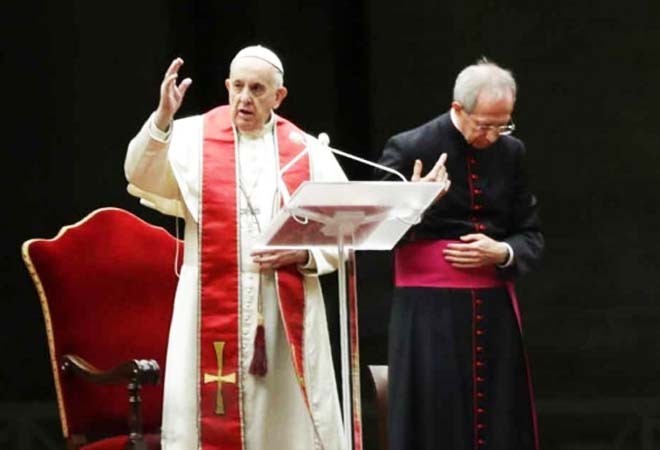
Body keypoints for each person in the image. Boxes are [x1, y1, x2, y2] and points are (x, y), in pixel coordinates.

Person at [124, 45, 346, 450]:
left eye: (257, 89)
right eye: (237, 86)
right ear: (227, 86)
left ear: (278, 96)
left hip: (281, 307)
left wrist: (304, 254)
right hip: (207, 299)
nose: (244, 98)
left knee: (282, 423)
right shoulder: (191, 138)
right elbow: (139, 173)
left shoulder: (306, 150)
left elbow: (343, 230)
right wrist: (162, 118)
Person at [376, 58, 544, 450]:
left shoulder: (512, 152)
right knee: (435, 417)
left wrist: (502, 251)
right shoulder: (410, 147)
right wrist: (416, 203)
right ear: (458, 109)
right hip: (427, 312)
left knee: (500, 417)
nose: (493, 136)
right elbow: (375, 233)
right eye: (484, 125)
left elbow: (530, 233)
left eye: (503, 125)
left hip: (494, 308)